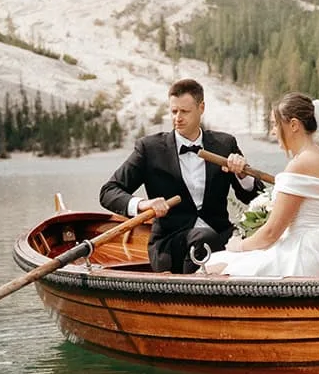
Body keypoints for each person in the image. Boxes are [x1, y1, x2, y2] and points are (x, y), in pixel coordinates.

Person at [201, 93, 319, 279]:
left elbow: (271, 233)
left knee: (212, 266)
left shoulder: (301, 164)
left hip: (306, 254)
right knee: (221, 262)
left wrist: (238, 246)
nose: (273, 132)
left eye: (275, 124)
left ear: (293, 125)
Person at [99, 78, 260, 273]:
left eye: (184, 111)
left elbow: (252, 197)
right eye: (174, 111)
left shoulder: (224, 145)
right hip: (170, 244)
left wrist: (243, 176)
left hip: (220, 237)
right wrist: (143, 205)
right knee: (203, 239)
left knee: (258, 245)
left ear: (201, 108)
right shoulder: (150, 149)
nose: (177, 118)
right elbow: (109, 192)